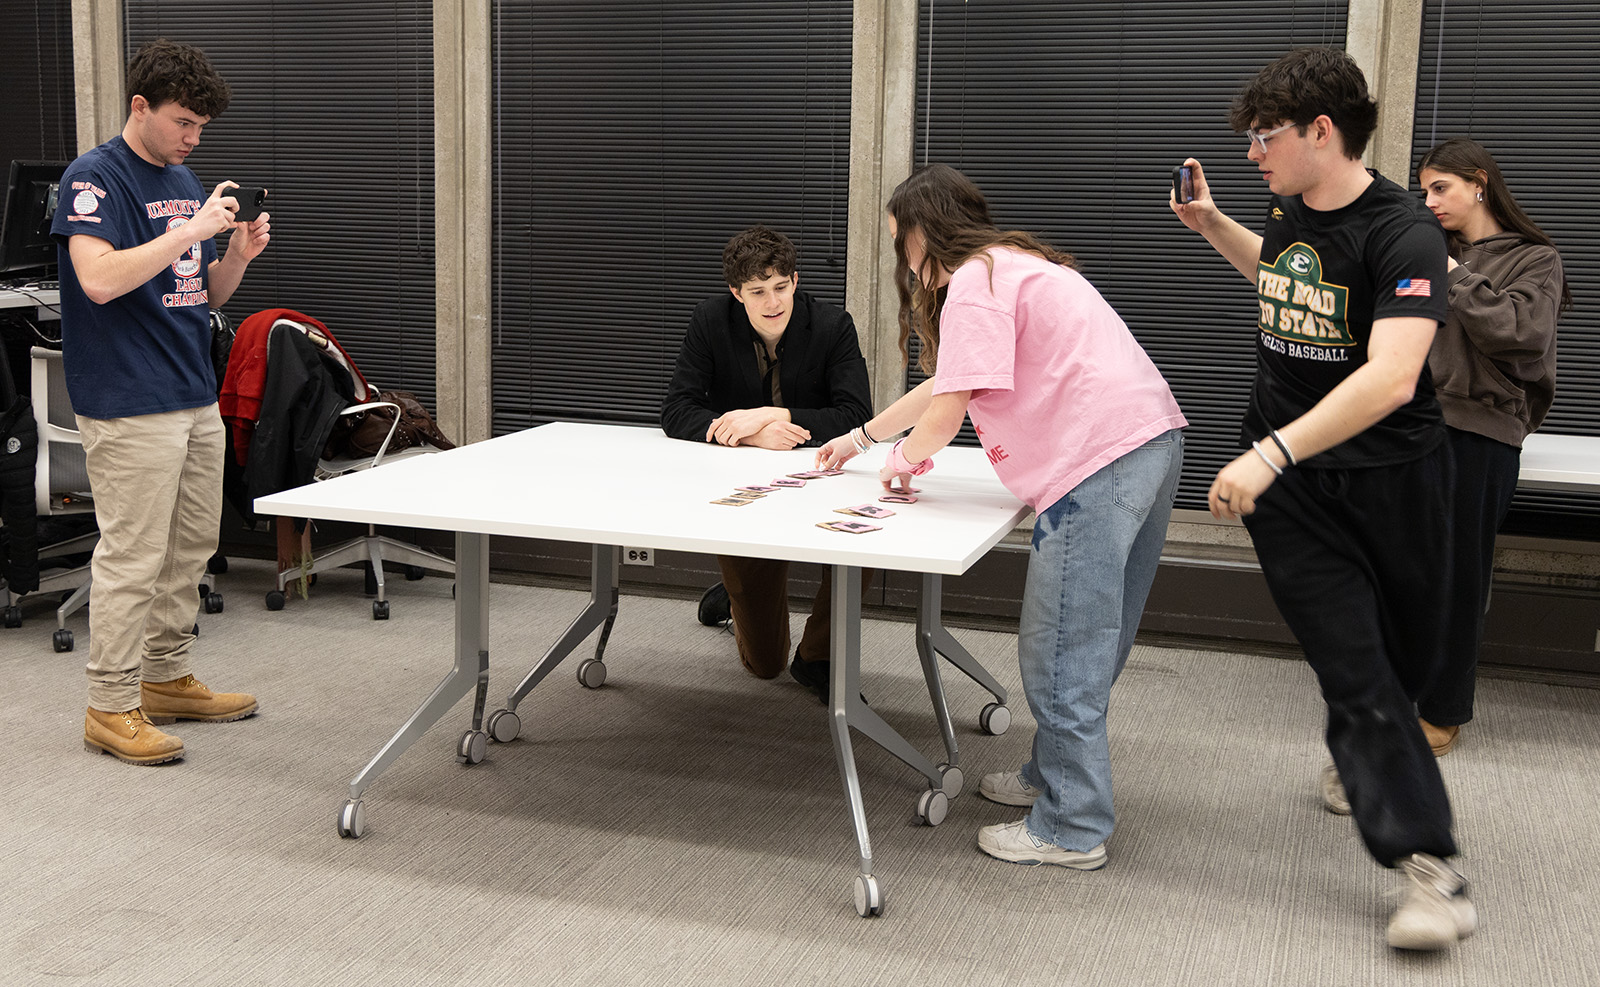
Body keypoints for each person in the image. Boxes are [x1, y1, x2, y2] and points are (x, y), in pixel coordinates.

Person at [1170, 48, 1475, 950]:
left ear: (1322, 132)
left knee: (1406, 662)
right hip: (1293, 488)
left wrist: (1271, 450)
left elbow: (1390, 377)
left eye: (1264, 139)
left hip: (1395, 479)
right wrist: (1213, 223)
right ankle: (1433, 873)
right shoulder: (1289, 205)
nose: (1252, 153)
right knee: (1355, 664)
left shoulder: (1408, 234)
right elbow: (1287, 278)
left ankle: (1373, 745)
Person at [817, 163, 1186, 872]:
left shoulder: (974, 285)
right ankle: (1053, 776)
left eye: (901, 242)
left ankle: (1072, 825)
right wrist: (865, 438)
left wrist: (900, 464)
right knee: (1091, 641)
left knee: (1061, 649)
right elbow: (945, 381)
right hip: (1149, 443)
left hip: (1096, 460)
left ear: (923, 231)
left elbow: (947, 411)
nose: (904, 260)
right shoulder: (1012, 266)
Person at [53, 39, 269, 765]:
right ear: (139, 106)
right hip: (127, 398)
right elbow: (100, 279)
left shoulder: (183, 178)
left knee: (189, 549)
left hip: (188, 388)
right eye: (182, 122)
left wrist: (234, 254)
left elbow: (198, 294)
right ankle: (110, 706)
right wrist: (189, 229)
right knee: (134, 556)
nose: (192, 139)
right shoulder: (95, 177)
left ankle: (167, 676)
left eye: (202, 128)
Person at [660, 225, 874, 698]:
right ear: (737, 293)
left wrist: (777, 414)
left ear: (795, 281)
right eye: (757, 291)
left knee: (861, 553)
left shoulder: (833, 325)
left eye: (780, 287)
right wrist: (753, 435)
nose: (772, 301)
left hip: (822, 477)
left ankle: (818, 659)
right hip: (743, 483)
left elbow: (858, 415)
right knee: (763, 665)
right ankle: (736, 598)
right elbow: (677, 410)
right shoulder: (710, 321)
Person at [1415, 138, 1568, 756]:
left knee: (1457, 575)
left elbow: (1520, 335)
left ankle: (1443, 710)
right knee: (1400, 566)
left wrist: (1452, 274)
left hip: (1481, 432)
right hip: (1411, 424)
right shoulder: (1427, 252)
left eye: (1440, 188)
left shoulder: (1536, 259)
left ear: (1479, 182)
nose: (1429, 203)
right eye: (1422, 192)